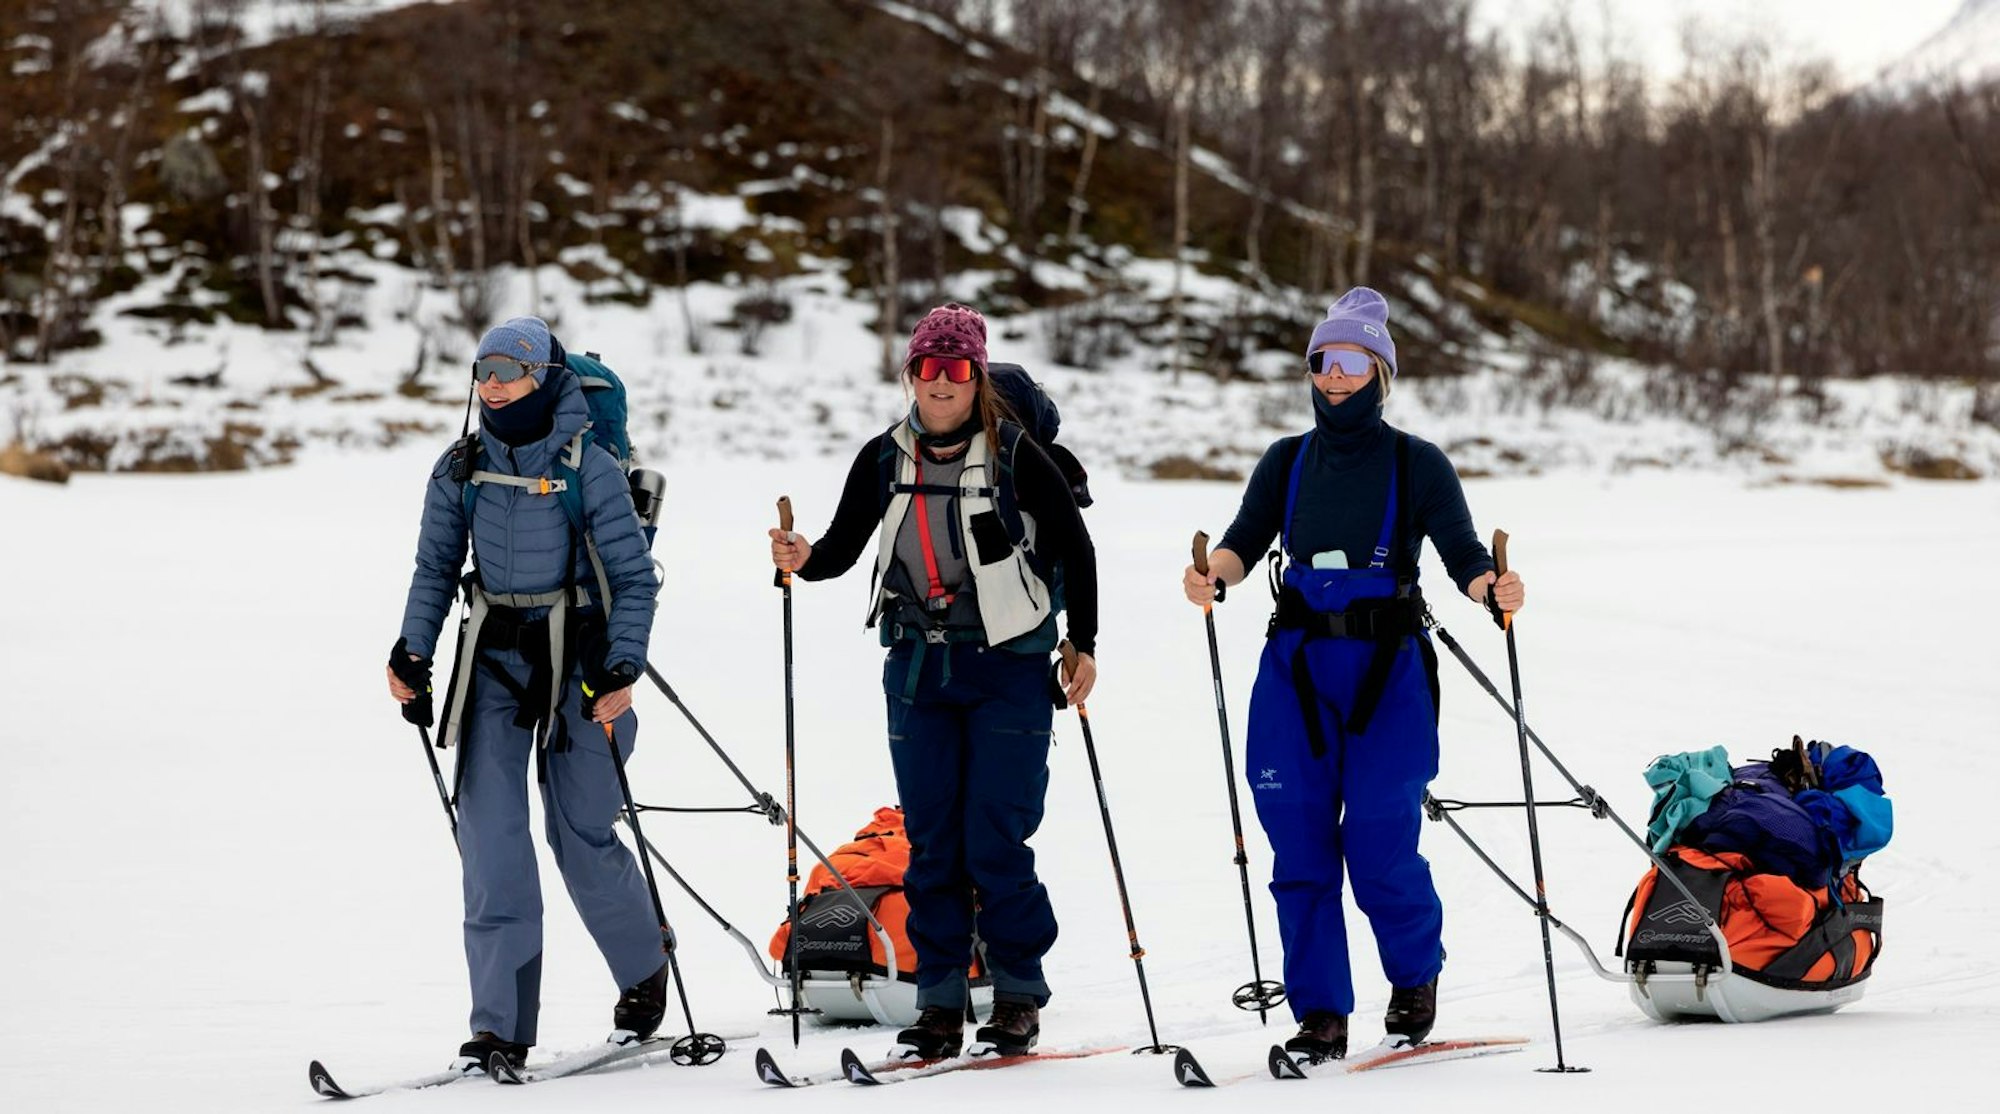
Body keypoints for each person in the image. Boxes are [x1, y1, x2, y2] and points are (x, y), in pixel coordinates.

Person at [1180, 287, 1524, 1062]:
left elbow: (1463, 554)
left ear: (1381, 373)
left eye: (1350, 364)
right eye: (1321, 363)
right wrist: (1215, 578)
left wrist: (1491, 590)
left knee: (1378, 841)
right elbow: (1241, 540)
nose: (1333, 379)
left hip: (1387, 678)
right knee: (1298, 848)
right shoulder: (1286, 461)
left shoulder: (1417, 463)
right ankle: (1321, 1015)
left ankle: (1413, 977)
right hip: (1295, 673)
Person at [768, 303, 1099, 1059]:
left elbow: (1076, 550)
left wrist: (1083, 643)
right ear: (910, 375)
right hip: (918, 668)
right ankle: (940, 1003)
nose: (939, 382)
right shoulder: (883, 458)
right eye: (926, 368)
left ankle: (1017, 994)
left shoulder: (1015, 452)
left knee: (997, 839)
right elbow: (844, 549)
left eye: (954, 369)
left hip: (1009, 667)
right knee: (934, 844)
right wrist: (800, 557)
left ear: (976, 376)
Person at [385, 316, 667, 1071]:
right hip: (497, 654)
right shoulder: (461, 466)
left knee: (579, 832)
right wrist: (413, 651)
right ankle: (499, 1025)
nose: (493, 386)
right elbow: (434, 569)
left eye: (509, 372)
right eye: (482, 372)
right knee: (491, 837)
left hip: (581, 656)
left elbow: (635, 579)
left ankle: (645, 969)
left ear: (543, 376)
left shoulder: (591, 466)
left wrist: (622, 667)